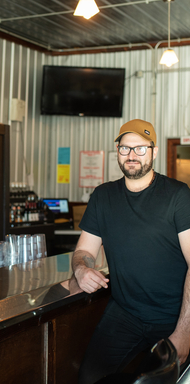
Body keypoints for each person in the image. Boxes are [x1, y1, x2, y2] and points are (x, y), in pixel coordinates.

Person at [72, 119, 190, 384]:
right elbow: (84, 251)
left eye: (140, 148)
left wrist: (185, 332)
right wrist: (81, 269)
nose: (132, 155)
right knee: (89, 378)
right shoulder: (103, 196)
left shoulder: (178, 196)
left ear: (154, 151)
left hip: (174, 315)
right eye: (125, 148)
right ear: (117, 150)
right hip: (126, 313)